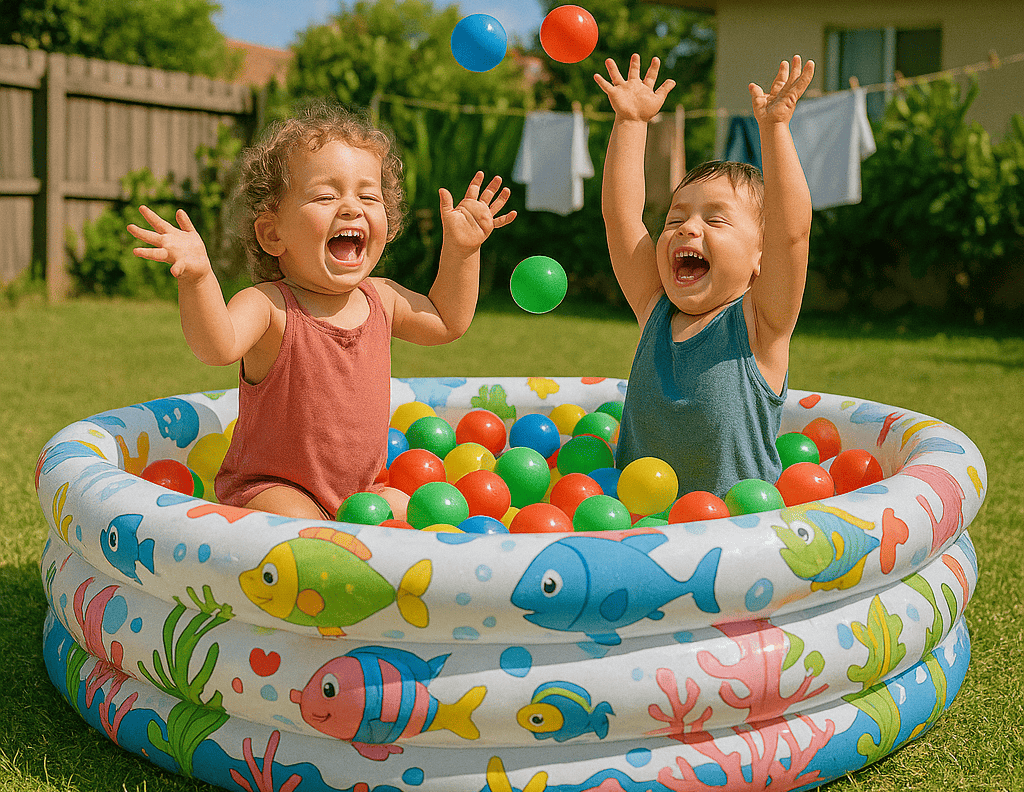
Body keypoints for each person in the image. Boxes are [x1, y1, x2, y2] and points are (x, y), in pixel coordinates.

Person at [128, 103, 516, 521]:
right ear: (273, 233)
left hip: (364, 490)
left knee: (419, 518)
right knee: (306, 533)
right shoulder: (270, 306)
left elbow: (446, 320)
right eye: (326, 196)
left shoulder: (381, 299)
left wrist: (462, 250)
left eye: (368, 196)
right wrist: (199, 277)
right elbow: (216, 345)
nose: (351, 207)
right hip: (274, 489)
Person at [595, 53, 815, 497]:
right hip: (638, 525)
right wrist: (631, 123)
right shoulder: (654, 309)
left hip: (735, 538)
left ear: (759, 257)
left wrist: (774, 130)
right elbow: (621, 218)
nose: (689, 228)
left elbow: (792, 235)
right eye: (676, 219)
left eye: (716, 221)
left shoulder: (761, 325)